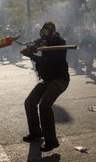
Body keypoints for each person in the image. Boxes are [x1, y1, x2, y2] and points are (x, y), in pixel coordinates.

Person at [21, 22, 70, 152]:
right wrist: (30, 47)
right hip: (46, 79)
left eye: (47, 32)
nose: (44, 34)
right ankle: (36, 132)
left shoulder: (60, 42)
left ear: (54, 32)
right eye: (43, 32)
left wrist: (32, 56)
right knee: (30, 102)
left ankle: (52, 141)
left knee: (45, 104)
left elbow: (49, 61)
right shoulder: (42, 40)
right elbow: (32, 44)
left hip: (59, 79)